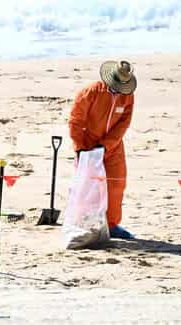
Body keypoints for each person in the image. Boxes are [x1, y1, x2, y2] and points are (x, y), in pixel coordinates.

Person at [69, 60, 137, 239]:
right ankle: (84, 223)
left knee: (116, 184)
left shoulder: (128, 95)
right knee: (88, 186)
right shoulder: (91, 92)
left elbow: (124, 122)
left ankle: (112, 225)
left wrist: (107, 144)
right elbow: (76, 121)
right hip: (88, 145)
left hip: (113, 146)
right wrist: (80, 147)